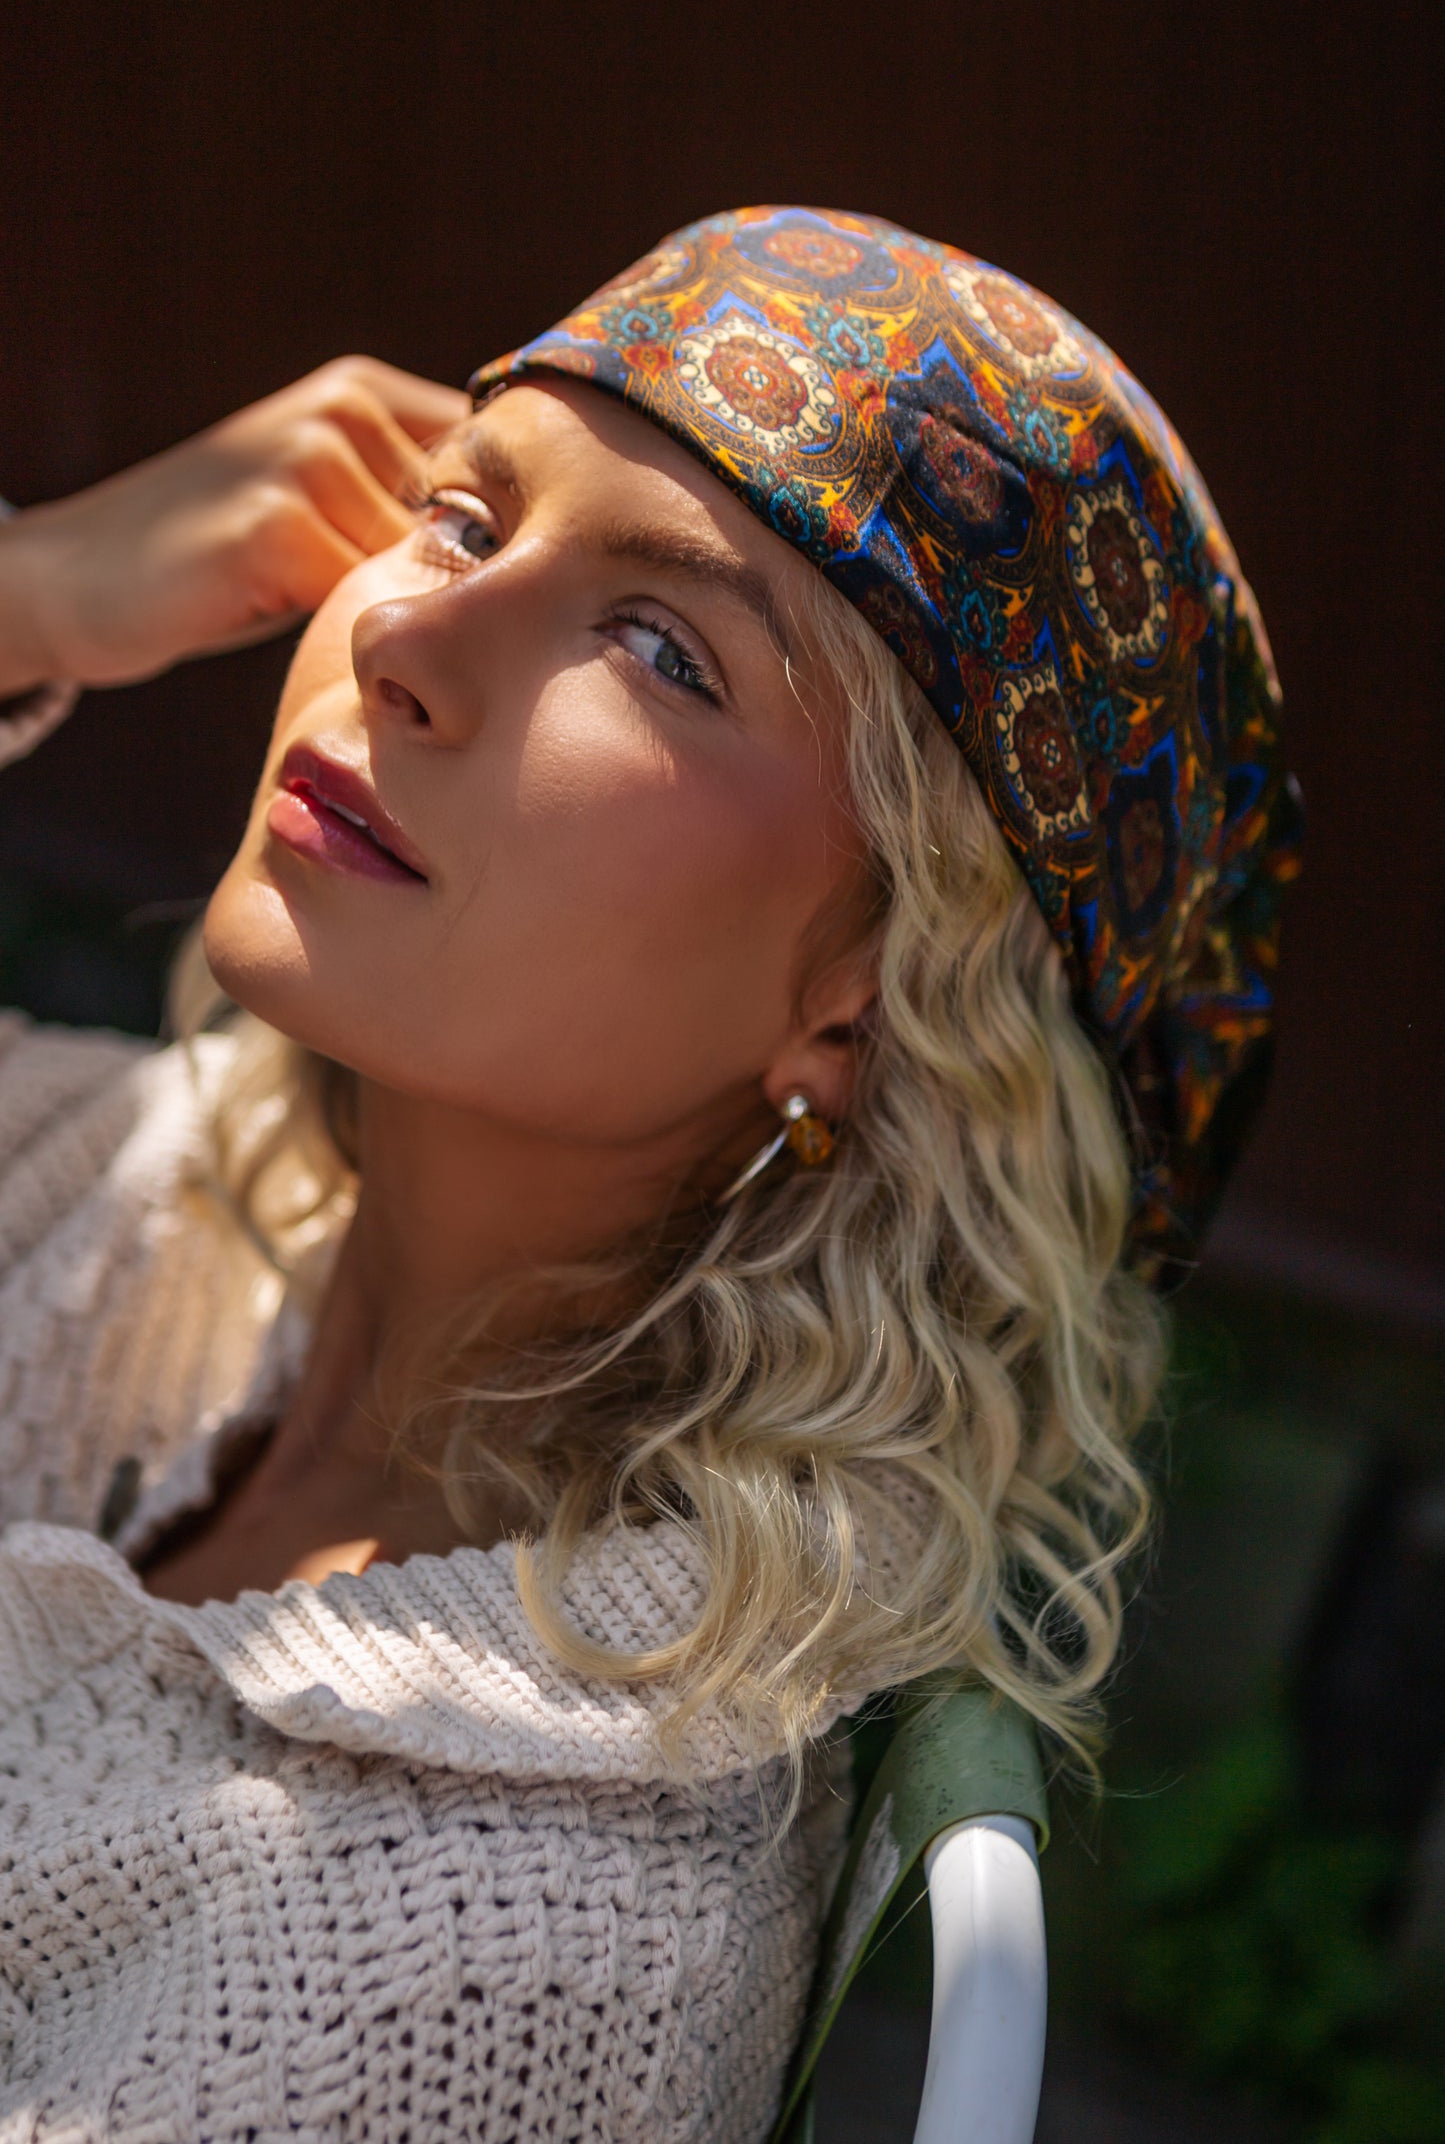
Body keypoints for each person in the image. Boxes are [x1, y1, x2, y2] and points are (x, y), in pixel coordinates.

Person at [0, 207, 1299, 2142]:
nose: (405, 635)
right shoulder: (124, 1201)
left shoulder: (485, 1964)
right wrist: (27, 597)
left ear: (858, 1012)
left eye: (658, 645)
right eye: (460, 515)